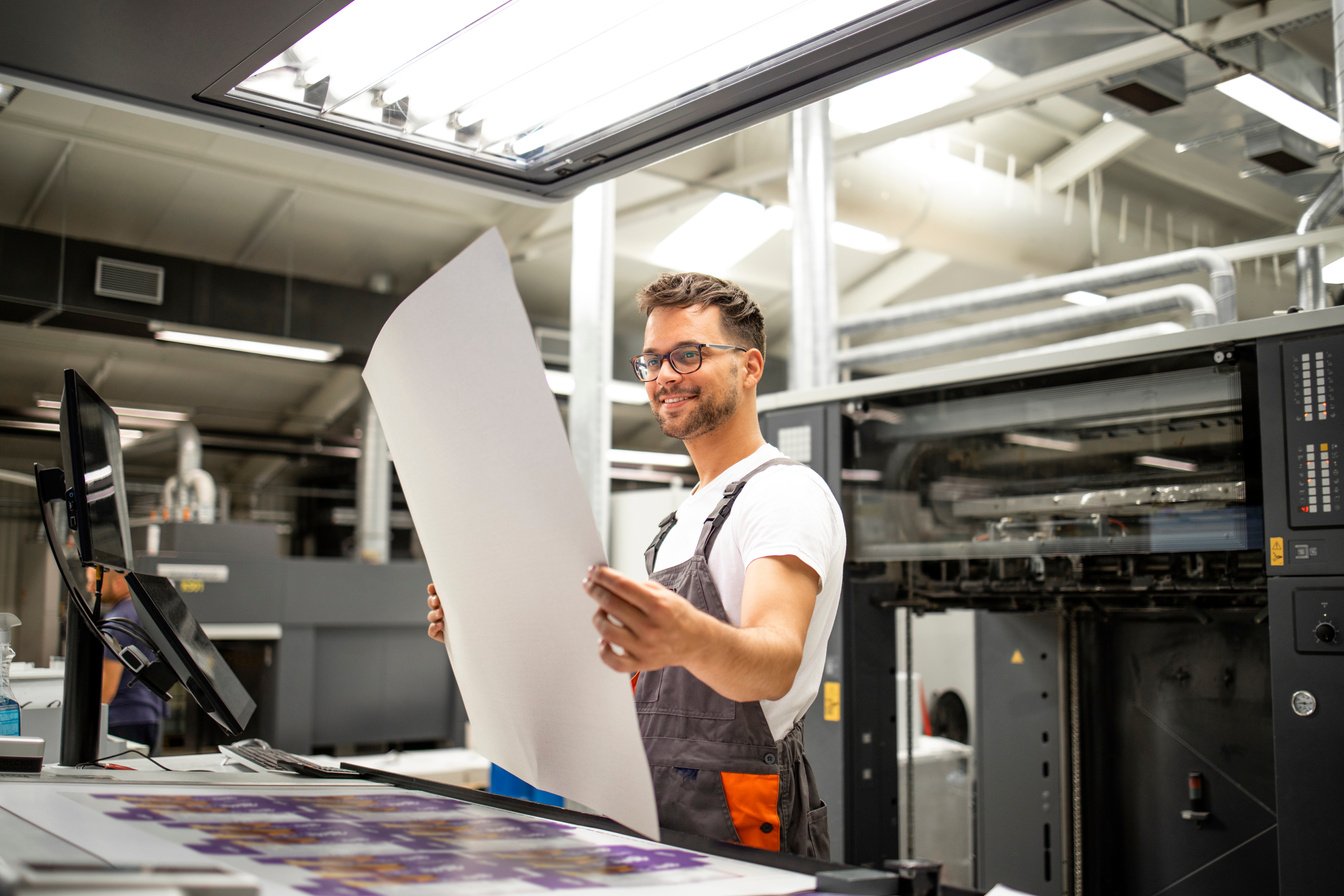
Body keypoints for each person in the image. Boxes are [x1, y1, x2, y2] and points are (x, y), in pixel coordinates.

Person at [427, 272, 845, 858]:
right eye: (652, 361)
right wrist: (483, 628)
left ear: (750, 367)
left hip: (735, 807)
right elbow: (637, 680)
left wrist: (688, 637)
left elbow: (774, 662)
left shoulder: (781, 494)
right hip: (648, 800)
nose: (665, 376)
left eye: (688, 354)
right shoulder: (682, 519)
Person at [93, 569, 169, 753]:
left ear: (118, 584)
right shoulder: (146, 613)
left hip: (121, 719)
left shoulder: (116, 621)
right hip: (150, 714)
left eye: (94, 582)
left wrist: (85, 722)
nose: (90, 588)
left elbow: (107, 689)